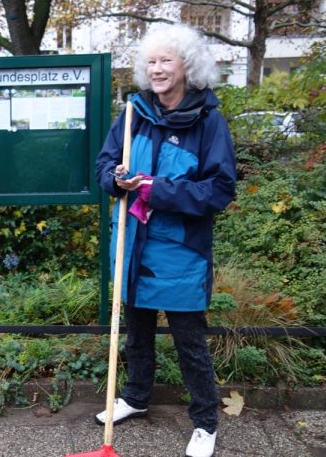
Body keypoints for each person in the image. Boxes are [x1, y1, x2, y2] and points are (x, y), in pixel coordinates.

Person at [94, 24, 236, 457]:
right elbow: (104, 164)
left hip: (180, 251)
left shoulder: (209, 123)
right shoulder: (134, 113)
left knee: (189, 341)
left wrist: (157, 190)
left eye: (166, 61)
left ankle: (205, 423)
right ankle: (136, 397)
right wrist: (116, 180)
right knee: (136, 332)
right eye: (150, 62)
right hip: (132, 243)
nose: (156, 70)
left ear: (187, 67)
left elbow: (219, 190)